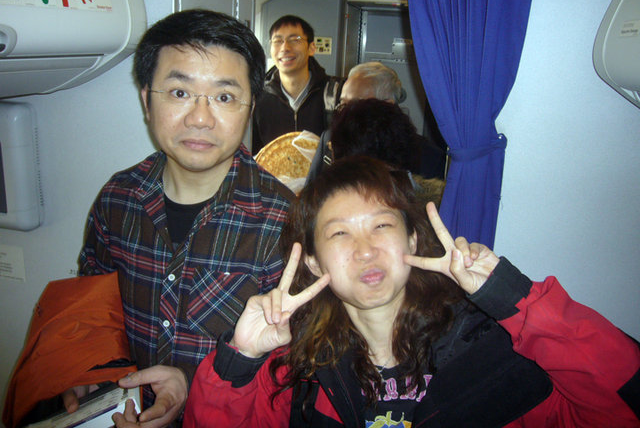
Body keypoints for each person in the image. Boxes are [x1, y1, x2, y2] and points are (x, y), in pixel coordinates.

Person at [183, 156, 640, 427]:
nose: (365, 250)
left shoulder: (493, 349)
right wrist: (240, 359)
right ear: (315, 263)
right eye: (340, 233)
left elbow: (623, 404)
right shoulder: (298, 370)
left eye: (382, 225)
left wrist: (513, 299)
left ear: (414, 240)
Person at [74, 9, 294, 427]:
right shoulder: (117, 200)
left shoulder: (283, 221)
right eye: (179, 93)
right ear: (147, 101)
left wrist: (193, 386)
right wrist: (87, 374)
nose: (199, 118)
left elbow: (295, 370)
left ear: (250, 107)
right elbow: (92, 314)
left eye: (224, 97)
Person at [306, 62, 446, 182]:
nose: (345, 113)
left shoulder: (427, 156)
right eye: (343, 104)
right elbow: (309, 194)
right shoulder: (329, 139)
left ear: (387, 106)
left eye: (356, 104)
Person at [252, 15, 344, 153]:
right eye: (278, 41)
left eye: (295, 40)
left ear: (311, 48)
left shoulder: (336, 92)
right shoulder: (258, 98)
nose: (285, 47)